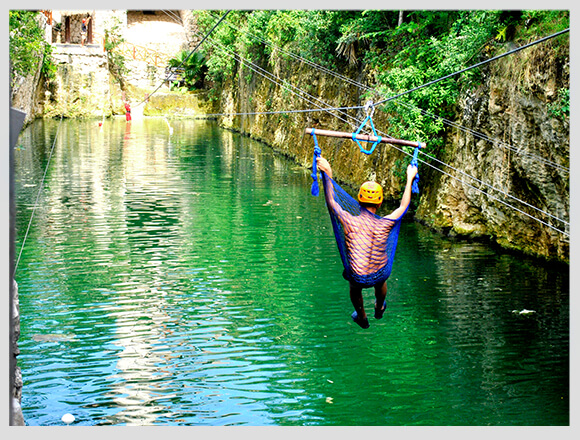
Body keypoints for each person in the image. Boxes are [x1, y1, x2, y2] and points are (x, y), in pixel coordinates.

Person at [316, 155, 418, 329]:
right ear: (379, 204)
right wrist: (410, 178)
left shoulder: (349, 221)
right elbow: (403, 207)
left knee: (354, 285)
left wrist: (328, 172)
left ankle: (362, 316)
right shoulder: (385, 224)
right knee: (381, 279)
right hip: (380, 272)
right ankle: (379, 306)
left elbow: (331, 201)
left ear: (358, 201)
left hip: (358, 276)